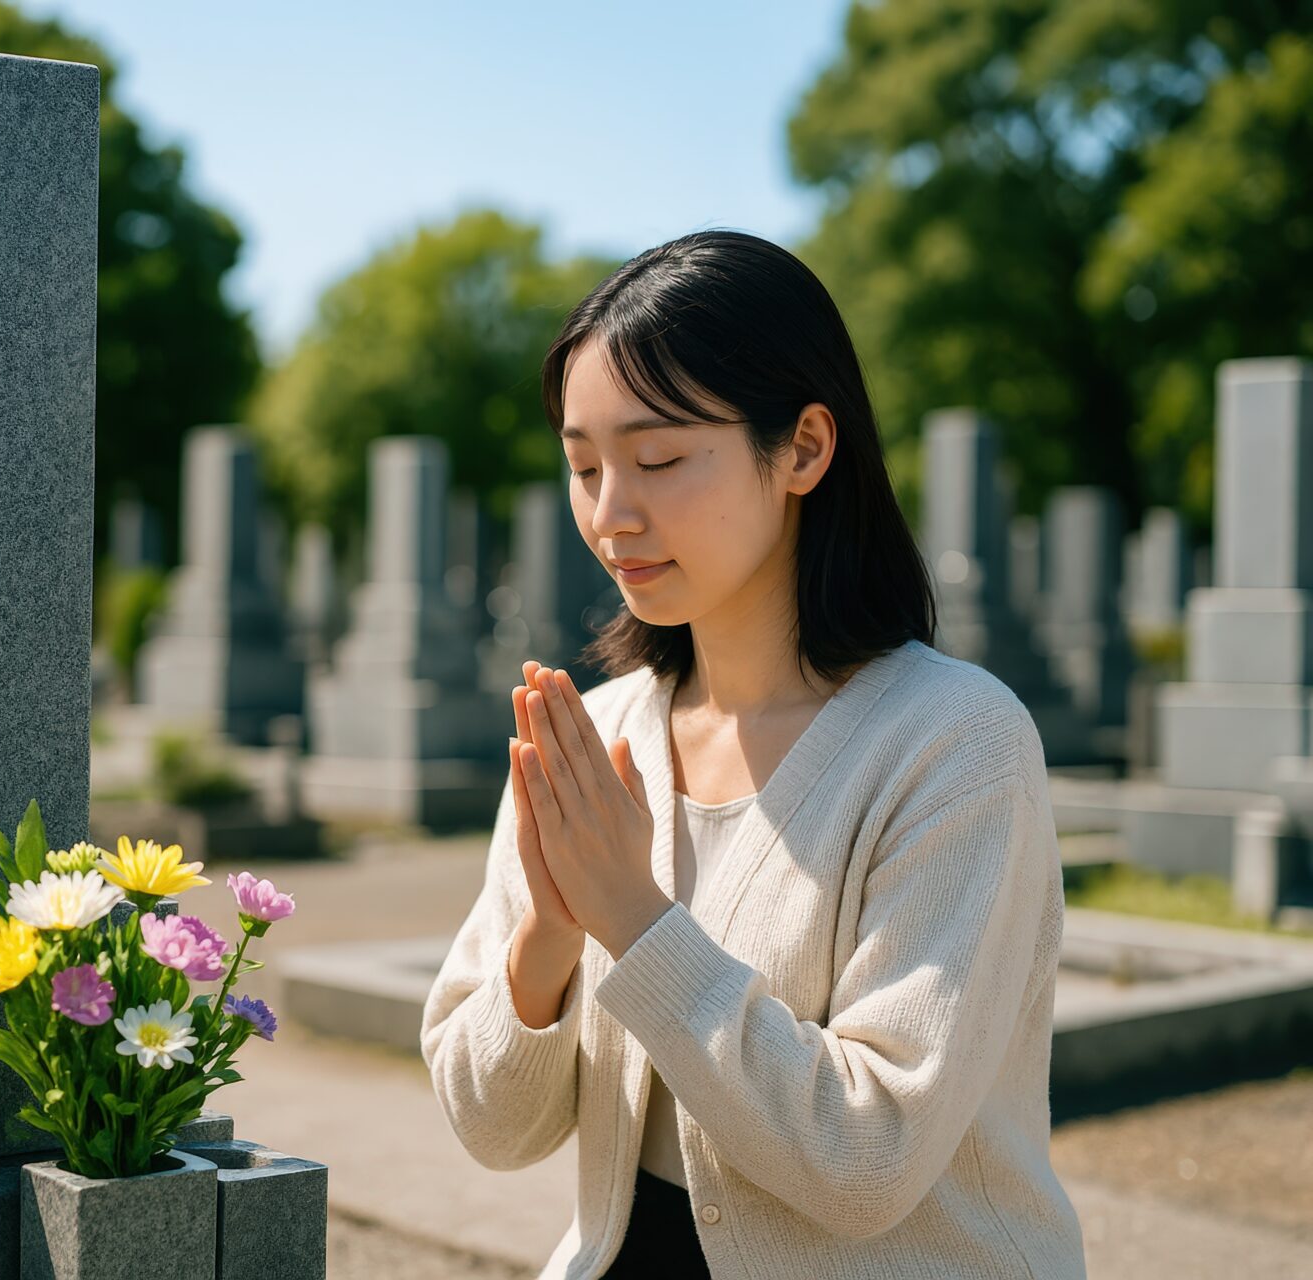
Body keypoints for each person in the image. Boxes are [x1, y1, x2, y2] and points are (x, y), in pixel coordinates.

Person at [421, 229, 1087, 1278]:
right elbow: (489, 1124)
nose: (610, 513)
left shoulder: (958, 744)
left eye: (658, 458)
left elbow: (868, 1158)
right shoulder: (593, 733)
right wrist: (550, 932)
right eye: (582, 465)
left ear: (806, 449)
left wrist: (632, 918)